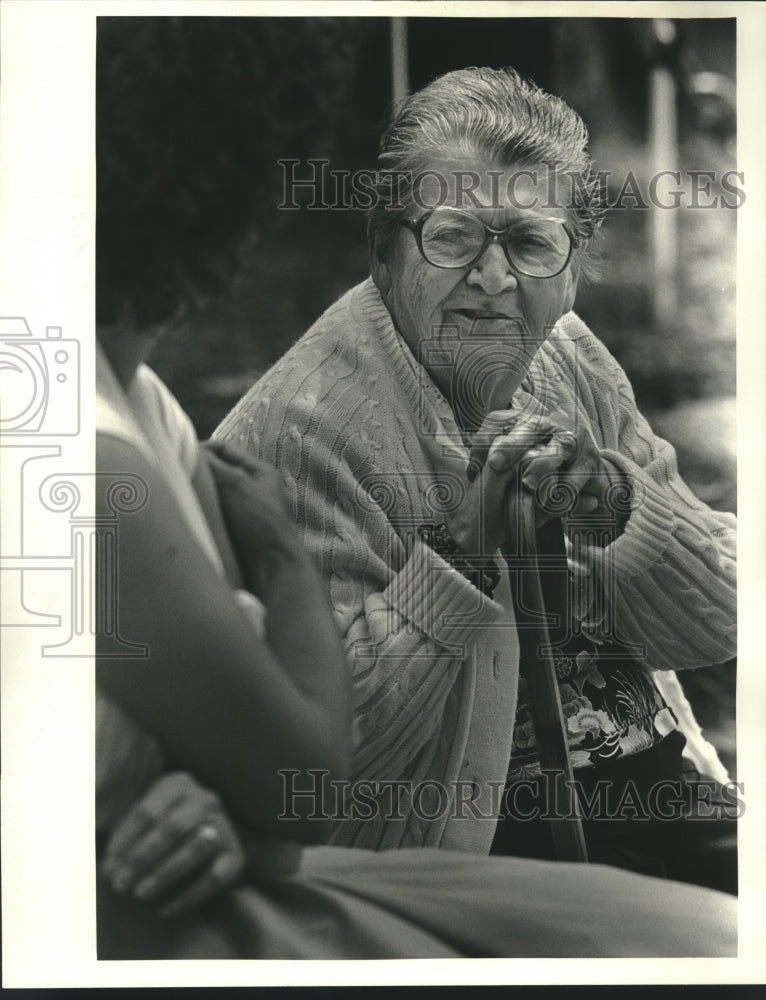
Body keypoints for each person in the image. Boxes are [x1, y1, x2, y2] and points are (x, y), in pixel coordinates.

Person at [94, 27, 735, 958]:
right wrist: (463, 560)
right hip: (469, 832)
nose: (491, 276)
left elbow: (718, 622)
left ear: (576, 265)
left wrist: (613, 502)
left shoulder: (569, 355)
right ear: (383, 252)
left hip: (654, 784)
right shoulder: (301, 432)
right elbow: (332, 801)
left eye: (529, 243)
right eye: (452, 239)